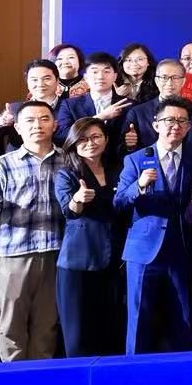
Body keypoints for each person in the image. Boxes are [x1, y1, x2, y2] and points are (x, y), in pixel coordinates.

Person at [0, 99, 67, 361]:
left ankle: (40, 378)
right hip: (13, 253)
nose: (37, 125)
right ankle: (14, 378)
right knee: (11, 324)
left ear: (55, 125)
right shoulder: (2, 164)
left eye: (44, 119)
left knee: (47, 325)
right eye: (29, 120)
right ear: (18, 127)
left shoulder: (69, 161)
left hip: (56, 252)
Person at [115, 98, 192, 354]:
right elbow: (119, 201)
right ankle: (134, 372)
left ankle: (183, 371)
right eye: (169, 120)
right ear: (156, 125)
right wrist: (140, 186)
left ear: (189, 127)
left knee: (184, 318)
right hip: (144, 252)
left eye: (182, 121)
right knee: (139, 319)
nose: (175, 125)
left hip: (182, 250)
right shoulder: (135, 159)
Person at [53, 117, 121, 357]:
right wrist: (77, 199)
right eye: (83, 139)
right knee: (78, 333)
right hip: (78, 261)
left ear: (106, 139)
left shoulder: (118, 168)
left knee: (111, 328)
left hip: (114, 259)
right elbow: (69, 211)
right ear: (73, 143)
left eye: (96, 137)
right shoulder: (67, 173)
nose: (90, 143)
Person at [54, 52, 134, 150]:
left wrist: (131, 144)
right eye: (95, 72)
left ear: (115, 76)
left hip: (119, 158)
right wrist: (100, 117)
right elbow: (62, 137)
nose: (100, 76)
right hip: (81, 158)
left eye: (106, 71)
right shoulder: (69, 105)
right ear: (86, 77)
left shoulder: (129, 105)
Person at [0, 59, 61, 155]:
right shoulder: (15, 109)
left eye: (46, 79)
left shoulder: (71, 107)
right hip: (17, 162)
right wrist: (1, 122)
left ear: (57, 81)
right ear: (27, 83)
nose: (40, 84)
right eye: (34, 80)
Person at [124, 58, 192, 153]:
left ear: (183, 81)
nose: (169, 83)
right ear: (156, 81)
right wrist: (130, 146)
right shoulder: (137, 113)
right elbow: (122, 150)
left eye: (175, 78)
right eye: (164, 78)